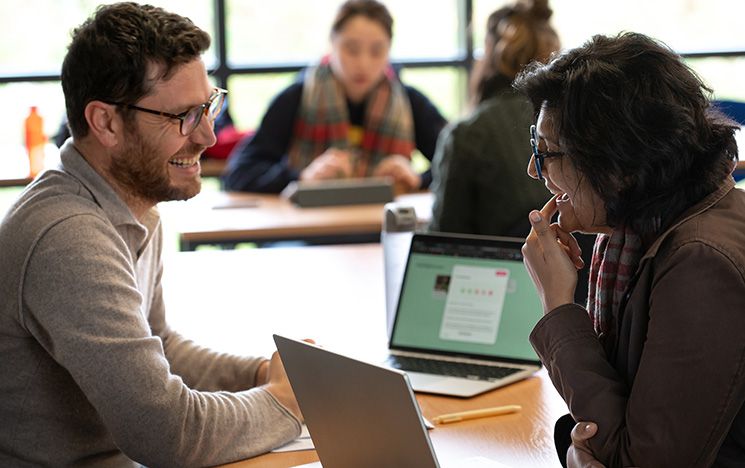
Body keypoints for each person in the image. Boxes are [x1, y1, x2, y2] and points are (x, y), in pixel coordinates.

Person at [0, 3, 303, 466]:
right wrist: (285, 405)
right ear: (105, 123)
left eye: (208, 106)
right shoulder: (69, 238)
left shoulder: (130, 202)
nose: (206, 135)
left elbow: (159, 346)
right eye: (182, 115)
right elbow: (168, 433)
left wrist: (262, 374)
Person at [516, 32, 745, 467]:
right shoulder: (637, 234)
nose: (533, 169)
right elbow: (611, 423)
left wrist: (558, 306)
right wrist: (575, 448)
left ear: (617, 165)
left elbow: (637, 460)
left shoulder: (701, 262)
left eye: (547, 152)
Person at [222, 0, 447, 194]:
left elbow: (457, 164)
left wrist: (418, 178)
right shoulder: (296, 98)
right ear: (332, 44)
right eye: (351, 49)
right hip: (308, 233)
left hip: (380, 229)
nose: (363, 63)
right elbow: (239, 173)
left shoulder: (411, 102)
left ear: (390, 50)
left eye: (377, 51)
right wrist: (301, 178)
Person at [429, 0, 558, 238]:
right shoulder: (576, 123)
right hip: (584, 268)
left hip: (502, 270)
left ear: (489, 51)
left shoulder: (468, 134)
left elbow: (445, 240)